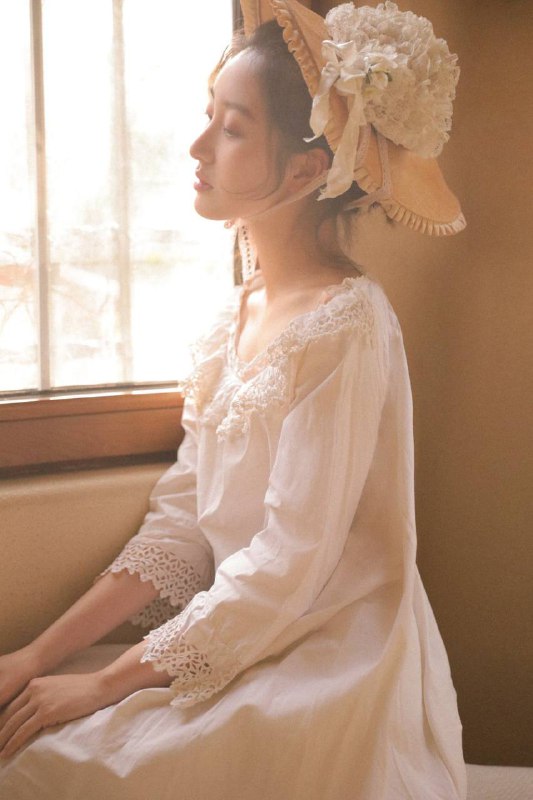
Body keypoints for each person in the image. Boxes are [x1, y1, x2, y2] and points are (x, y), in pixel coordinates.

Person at [0, 2, 467, 797]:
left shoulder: (346, 326)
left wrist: (104, 683)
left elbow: (288, 562)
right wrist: (37, 655)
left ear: (305, 171)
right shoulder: (231, 318)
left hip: (324, 657)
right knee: (34, 739)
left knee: (60, 766)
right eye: (208, 116)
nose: (196, 146)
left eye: (232, 128)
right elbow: (182, 524)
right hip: (238, 628)